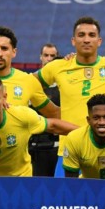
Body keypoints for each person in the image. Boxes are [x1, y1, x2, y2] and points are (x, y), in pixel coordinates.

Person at [36, 16, 105, 177]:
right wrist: (49, 108)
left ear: (99, 41)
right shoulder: (59, 66)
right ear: (73, 41)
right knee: (64, 202)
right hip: (69, 151)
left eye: (91, 35)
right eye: (81, 35)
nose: (86, 39)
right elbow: (28, 83)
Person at [29, 44, 62, 177]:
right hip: (35, 146)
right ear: (40, 57)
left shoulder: (64, 83)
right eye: (46, 55)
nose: (49, 59)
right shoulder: (30, 82)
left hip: (59, 145)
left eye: (52, 56)